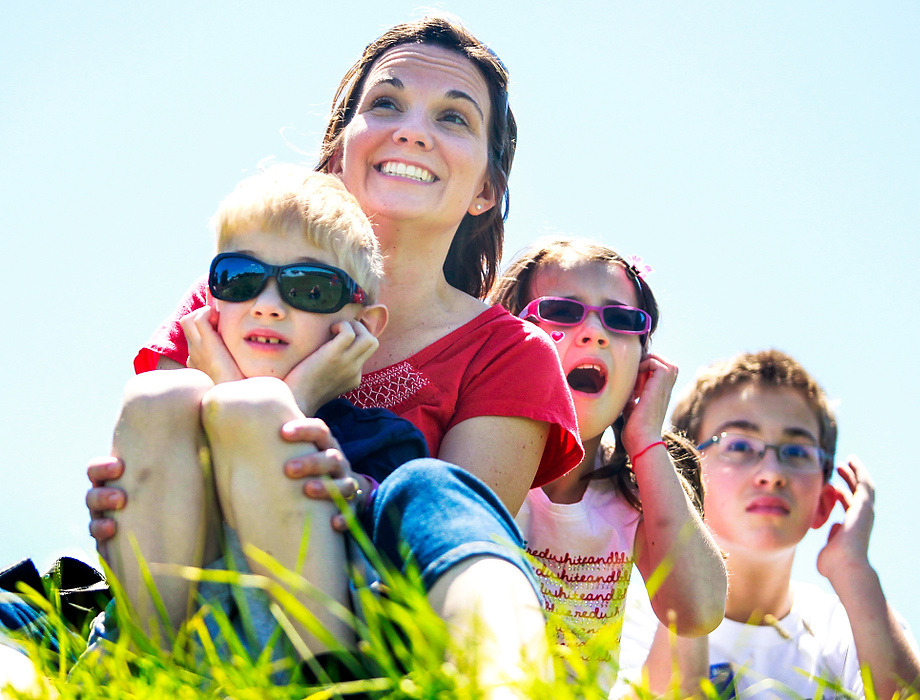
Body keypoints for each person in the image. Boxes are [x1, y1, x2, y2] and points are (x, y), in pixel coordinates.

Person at [85, 16, 583, 693]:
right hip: (191, 614)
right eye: (385, 103)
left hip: (359, 632)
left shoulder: (510, 353)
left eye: (454, 118)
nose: (412, 129)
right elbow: (157, 463)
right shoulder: (230, 288)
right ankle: (138, 673)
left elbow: (442, 534)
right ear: (337, 150)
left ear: (486, 191)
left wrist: (293, 398)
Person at [102, 165, 430, 661]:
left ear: (362, 326)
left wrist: (281, 408)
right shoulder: (169, 421)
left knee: (251, 408)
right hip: (183, 640)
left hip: (310, 641)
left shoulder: (383, 438)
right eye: (241, 279)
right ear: (212, 300)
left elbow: (396, 534)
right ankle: (145, 668)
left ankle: (328, 679)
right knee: (157, 396)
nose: (269, 305)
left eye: (310, 288)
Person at [619, 349, 920, 699]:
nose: (772, 474)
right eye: (739, 445)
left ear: (823, 503)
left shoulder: (854, 629)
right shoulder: (627, 620)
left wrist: (854, 571)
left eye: (797, 452)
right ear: (684, 473)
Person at [489, 238, 726, 686]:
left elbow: (698, 610)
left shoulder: (633, 494)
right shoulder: (473, 449)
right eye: (562, 311)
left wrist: (646, 439)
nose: (595, 332)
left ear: (642, 367)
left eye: (620, 320)